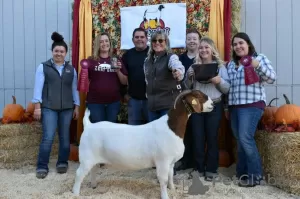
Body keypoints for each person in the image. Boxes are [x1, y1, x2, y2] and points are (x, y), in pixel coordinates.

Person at [226, 32, 276, 187]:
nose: (238, 46)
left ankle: (255, 176)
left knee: (245, 138)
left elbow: (272, 78)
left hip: (252, 105)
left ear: (248, 44)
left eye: (241, 43)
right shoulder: (232, 65)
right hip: (235, 107)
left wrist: (257, 66)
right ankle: (242, 173)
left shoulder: (259, 58)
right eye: (235, 44)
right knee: (240, 141)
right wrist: (227, 108)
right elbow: (229, 89)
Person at [32, 32, 80, 179]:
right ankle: (42, 166)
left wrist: (77, 106)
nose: (59, 53)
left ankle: (62, 162)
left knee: (65, 137)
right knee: (48, 137)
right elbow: (37, 88)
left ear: (66, 53)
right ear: (52, 52)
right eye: (56, 51)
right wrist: (37, 107)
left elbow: (74, 89)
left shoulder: (71, 70)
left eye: (62, 51)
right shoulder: (43, 67)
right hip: (49, 108)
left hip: (66, 109)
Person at [184, 36, 230, 181]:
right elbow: (187, 87)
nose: (203, 50)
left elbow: (227, 89)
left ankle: (211, 169)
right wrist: (189, 78)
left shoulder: (220, 67)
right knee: (198, 137)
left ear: (212, 50)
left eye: (206, 47)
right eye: (201, 48)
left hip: (214, 105)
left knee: (212, 138)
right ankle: (198, 169)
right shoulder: (193, 67)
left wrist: (219, 81)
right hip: (197, 105)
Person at [85, 32, 128, 123]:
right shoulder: (91, 61)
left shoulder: (116, 60)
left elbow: (124, 82)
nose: (104, 44)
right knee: (98, 131)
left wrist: (118, 71)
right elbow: (84, 81)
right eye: (101, 42)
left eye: (106, 41)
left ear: (110, 43)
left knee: (111, 132)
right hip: (95, 102)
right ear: (97, 44)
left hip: (113, 102)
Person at [143, 30, 185, 122]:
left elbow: (178, 67)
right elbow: (147, 82)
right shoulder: (147, 61)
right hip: (152, 107)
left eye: (161, 40)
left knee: (166, 136)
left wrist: (178, 72)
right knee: (153, 135)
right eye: (154, 40)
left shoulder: (171, 57)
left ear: (166, 42)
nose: (157, 43)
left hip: (167, 107)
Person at [176, 29, 202, 171]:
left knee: (197, 132)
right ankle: (184, 160)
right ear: (185, 42)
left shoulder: (204, 57)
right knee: (184, 132)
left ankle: (196, 163)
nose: (192, 41)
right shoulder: (180, 59)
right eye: (189, 39)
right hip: (183, 101)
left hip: (199, 101)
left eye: (195, 38)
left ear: (199, 40)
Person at [121, 28, 149, 125]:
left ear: (146, 39)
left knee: (152, 133)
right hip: (133, 100)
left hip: (150, 101)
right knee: (133, 132)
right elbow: (122, 75)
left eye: (142, 37)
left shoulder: (153, 53)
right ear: (133, 40)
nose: (139, 39)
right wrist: (124, 93)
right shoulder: (127, 55)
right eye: (136, 37)